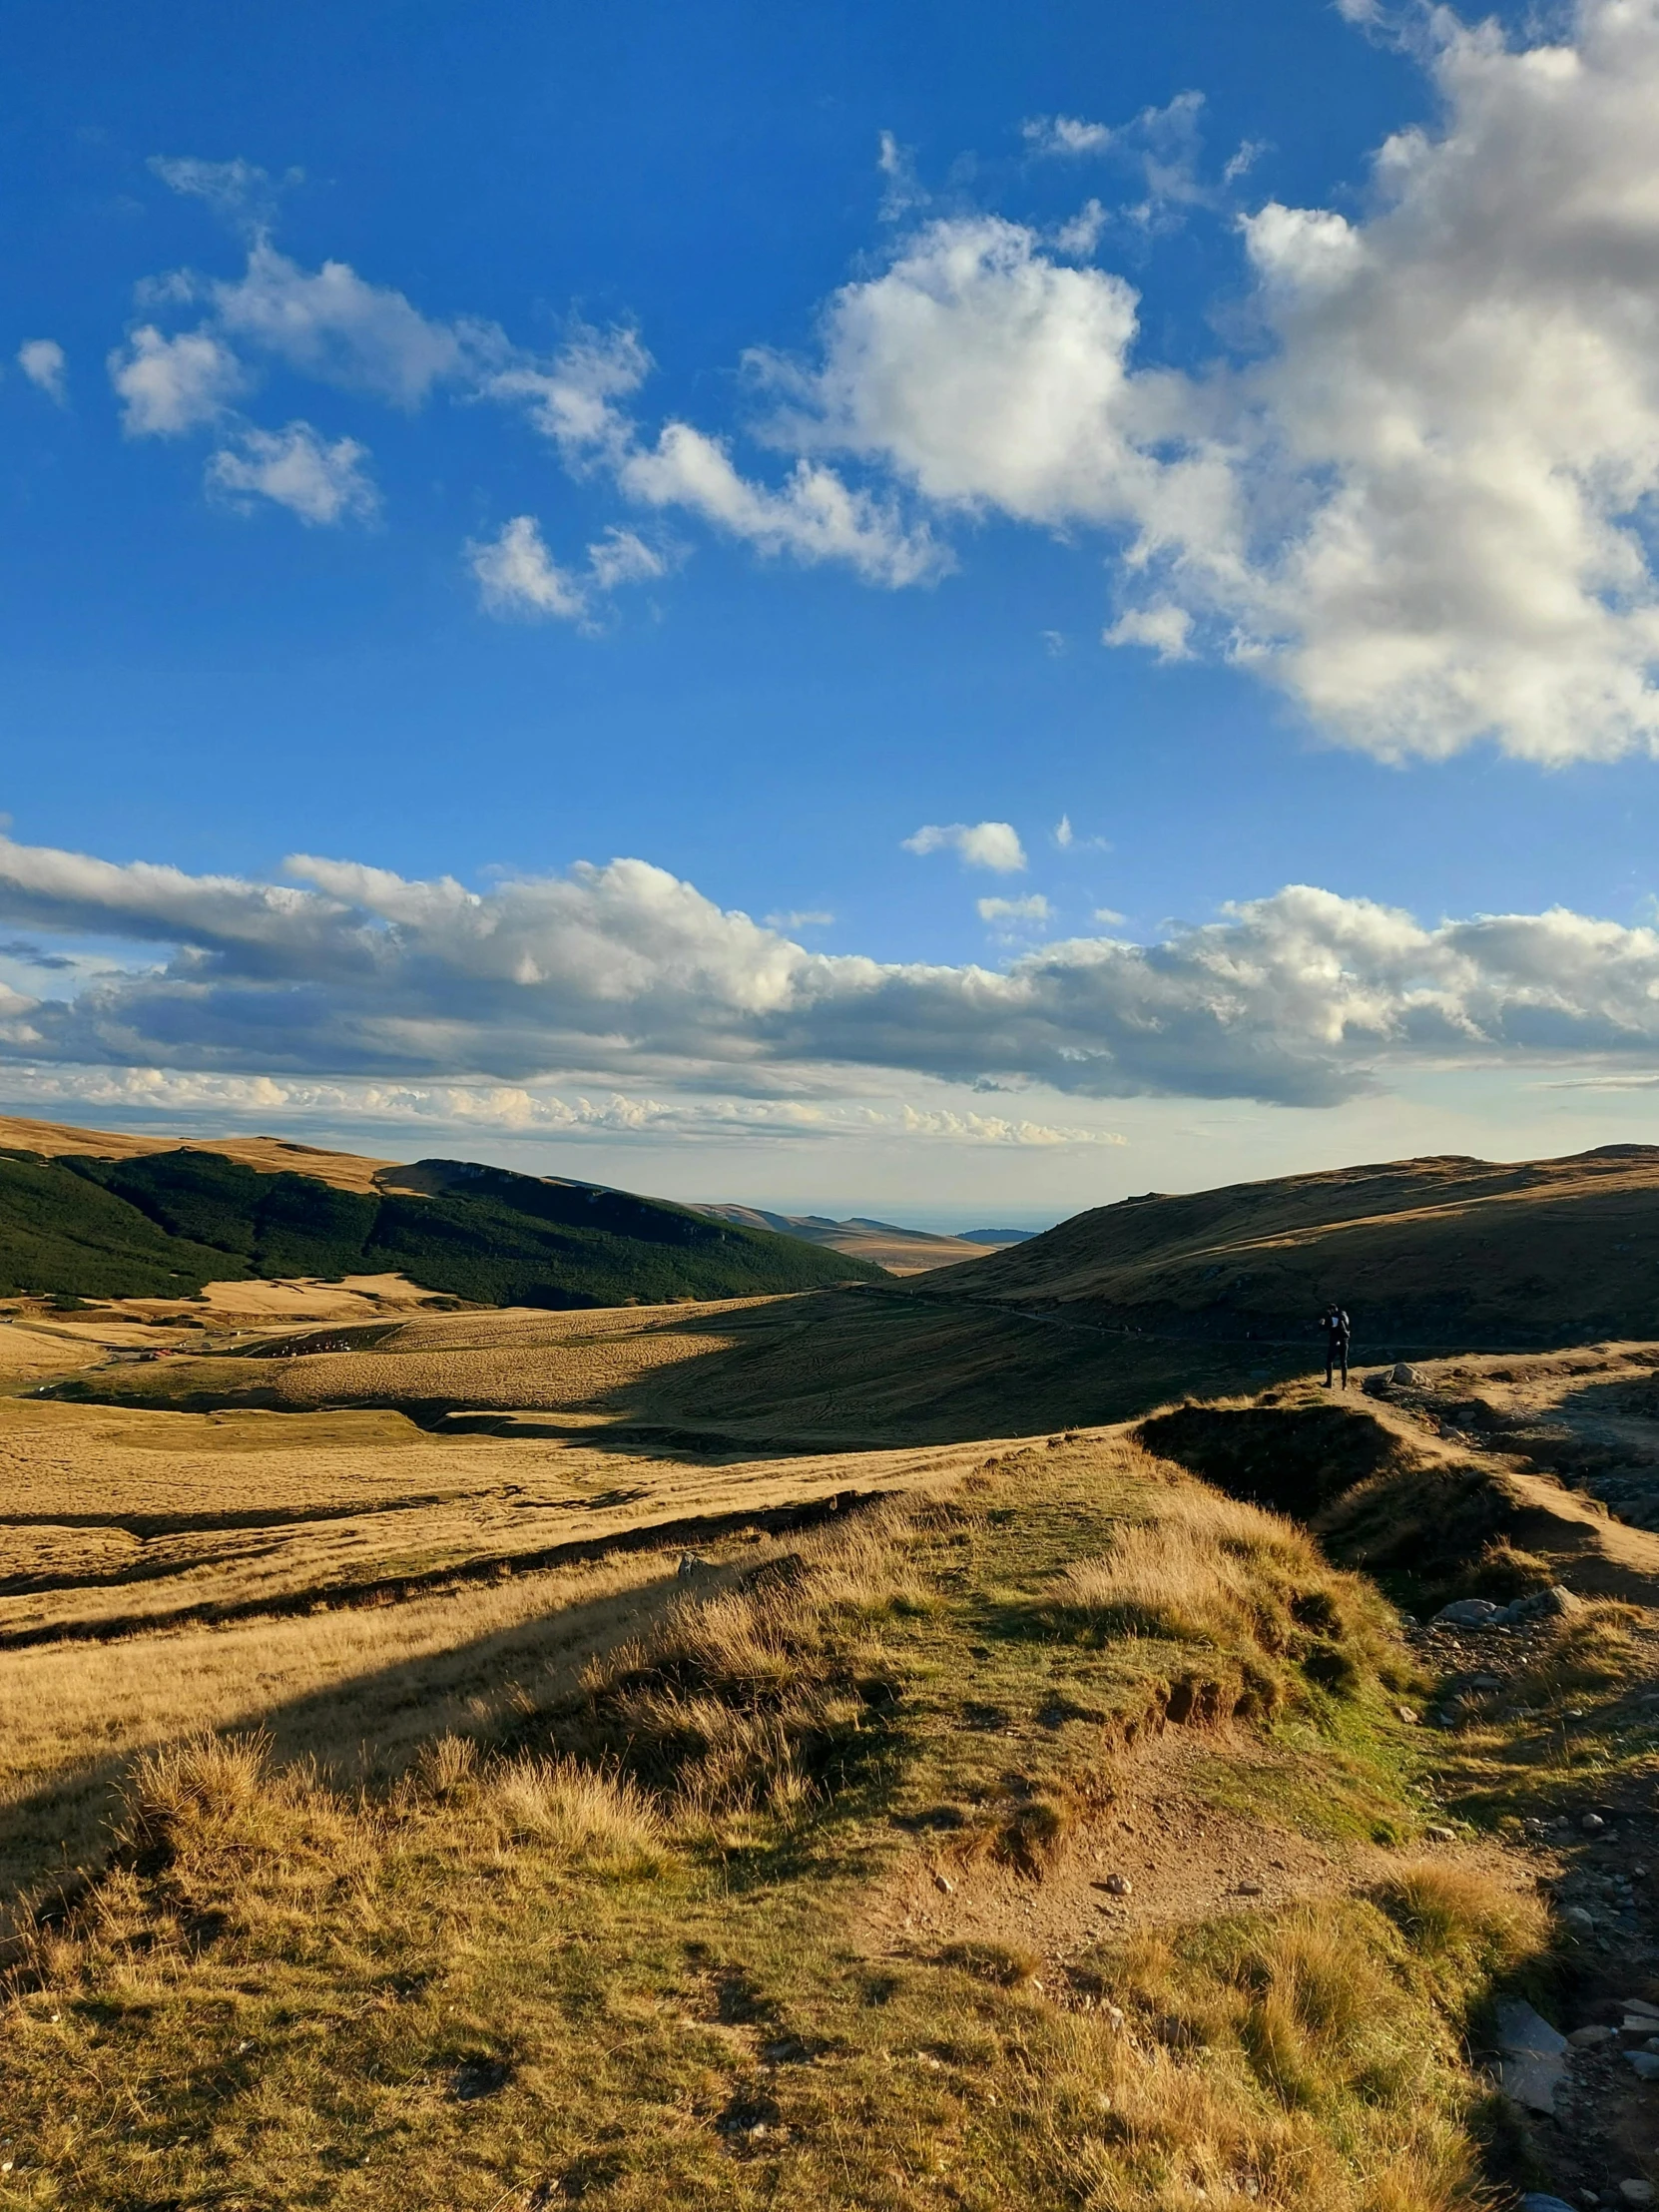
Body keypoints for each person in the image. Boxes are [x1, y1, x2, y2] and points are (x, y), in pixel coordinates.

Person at [1321, 1302, 1351, 1388]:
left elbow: (1326, 1328)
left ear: (1332, 1310)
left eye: (1329, 1311)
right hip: (1345, 1340)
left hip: (1335, 1340)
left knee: (1329, 1361)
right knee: (1343, 1362)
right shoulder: (1345, 1315)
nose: (1328, 1313)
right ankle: (1344, 1385)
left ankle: (1329, 1383)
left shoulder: (1333, 1317)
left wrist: (1321, 1323)